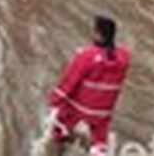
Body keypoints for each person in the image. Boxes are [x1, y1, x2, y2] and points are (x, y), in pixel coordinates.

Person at [48, 16, 131, 156]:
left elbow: (70, 81)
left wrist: (55, 99)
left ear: (97, 34)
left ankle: (59, 149)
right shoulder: (124, 57)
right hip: (103, 110)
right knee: (99, 139)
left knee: (61, 124)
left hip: (80, 106)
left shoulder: (86, 56)